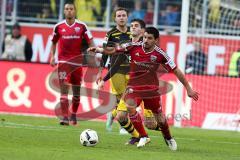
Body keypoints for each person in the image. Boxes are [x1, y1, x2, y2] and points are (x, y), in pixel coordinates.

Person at [90, 27, 199, 151]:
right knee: (130, 107)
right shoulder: (133, 46)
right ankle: (143, 136)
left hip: (151, 90)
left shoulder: (160, 54)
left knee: (160, 119)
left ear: (156, 40)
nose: (146, 40)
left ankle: (168, 137)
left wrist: (188, 89)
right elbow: (115, 50)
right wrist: (99, 50)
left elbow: (176, 71)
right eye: (145, 37)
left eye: (149, 38)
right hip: (134, 87)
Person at [92, 18, 152, 147]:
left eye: (136, 26)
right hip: (131, 85)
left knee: (151, 123)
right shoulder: (128, 46)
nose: (133, 28)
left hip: (144, 85)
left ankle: (151, 135)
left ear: (142, 30)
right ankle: (138, 136)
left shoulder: (148, 46)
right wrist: (103, 79)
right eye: (132, 26)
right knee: (121, 116)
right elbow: (116, 61)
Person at [50, 2, 94, 126]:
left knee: (76, 93)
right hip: (63, 62)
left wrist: (92, 54)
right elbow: (53, 42)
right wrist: (52, 56)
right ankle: (64, 118)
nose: (69, 11)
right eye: (66, 9)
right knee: (64, 90)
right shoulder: (58, 27)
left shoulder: (82, 26)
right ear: (64, 11)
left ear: (75, 11)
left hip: (77, 63)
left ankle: (73, 115)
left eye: (71, 9)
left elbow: (91, 41)